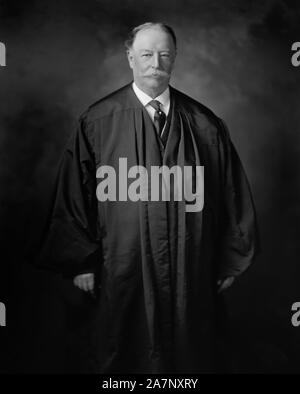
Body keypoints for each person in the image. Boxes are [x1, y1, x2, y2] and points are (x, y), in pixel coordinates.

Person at [37, 22, 260, 373]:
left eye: (164, 54)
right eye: (146, 54)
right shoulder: (98, 121)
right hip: (123, 263)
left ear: (174, 59)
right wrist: (80, 260)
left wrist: (228, 260)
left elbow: (230, 193)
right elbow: (73, 193)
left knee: (190, 354)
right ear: (130, 58)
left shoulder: (205, 124)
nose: (155, 62)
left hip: (192, 265)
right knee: (122, 350)